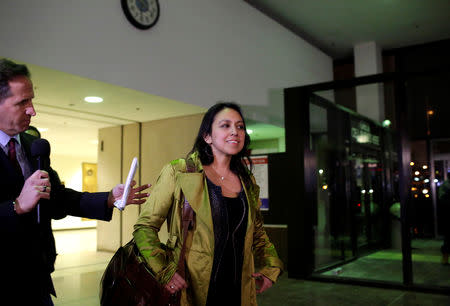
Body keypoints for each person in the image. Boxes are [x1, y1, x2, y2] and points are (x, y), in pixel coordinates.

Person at [0, 58, 150, 305]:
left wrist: (109, 198)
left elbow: (58, 199)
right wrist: (16, 206)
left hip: (36, 281)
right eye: (22, 102)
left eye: (32, 100)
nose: (32, 110)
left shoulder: (31, 147)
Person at [133, 102, 283, 305]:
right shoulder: (179, 172)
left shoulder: (247, 180)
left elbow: (257, 232)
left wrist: (271, 266)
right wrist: (163, 271)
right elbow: (145, 227)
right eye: (225, 125)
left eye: (240, 126)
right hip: (193, 287)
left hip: (238, 289)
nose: (235, 131)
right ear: (207, 136)